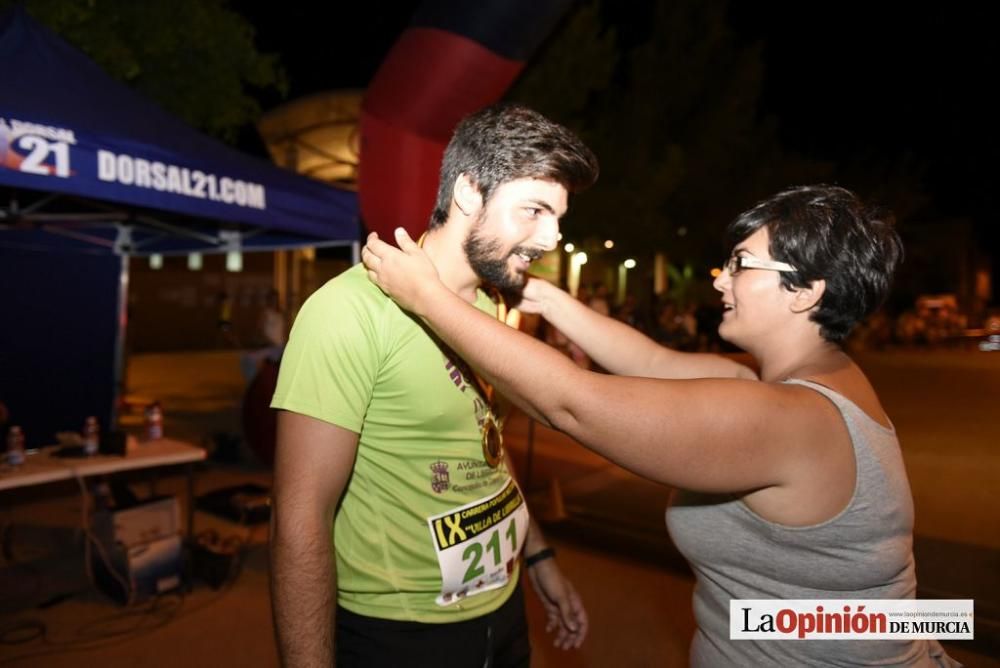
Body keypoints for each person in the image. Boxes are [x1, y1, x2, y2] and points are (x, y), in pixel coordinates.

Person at [362, 185, 959, 667]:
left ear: (804, 293)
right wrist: (539, 294)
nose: (719, 280)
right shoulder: (798, 385)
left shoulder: (792, 420)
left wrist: (429, 299)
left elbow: (576, 406)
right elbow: (651, 364)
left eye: (740, 265)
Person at [270, 104, 599, 667]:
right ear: (469, 192)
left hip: (502, 609)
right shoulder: (350, 310)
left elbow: (486, 451)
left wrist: (539, 558)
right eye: (535, 210)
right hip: (398, 634)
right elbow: (299, 520)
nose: (552, 237)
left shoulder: (494, 306)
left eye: (559, 217)